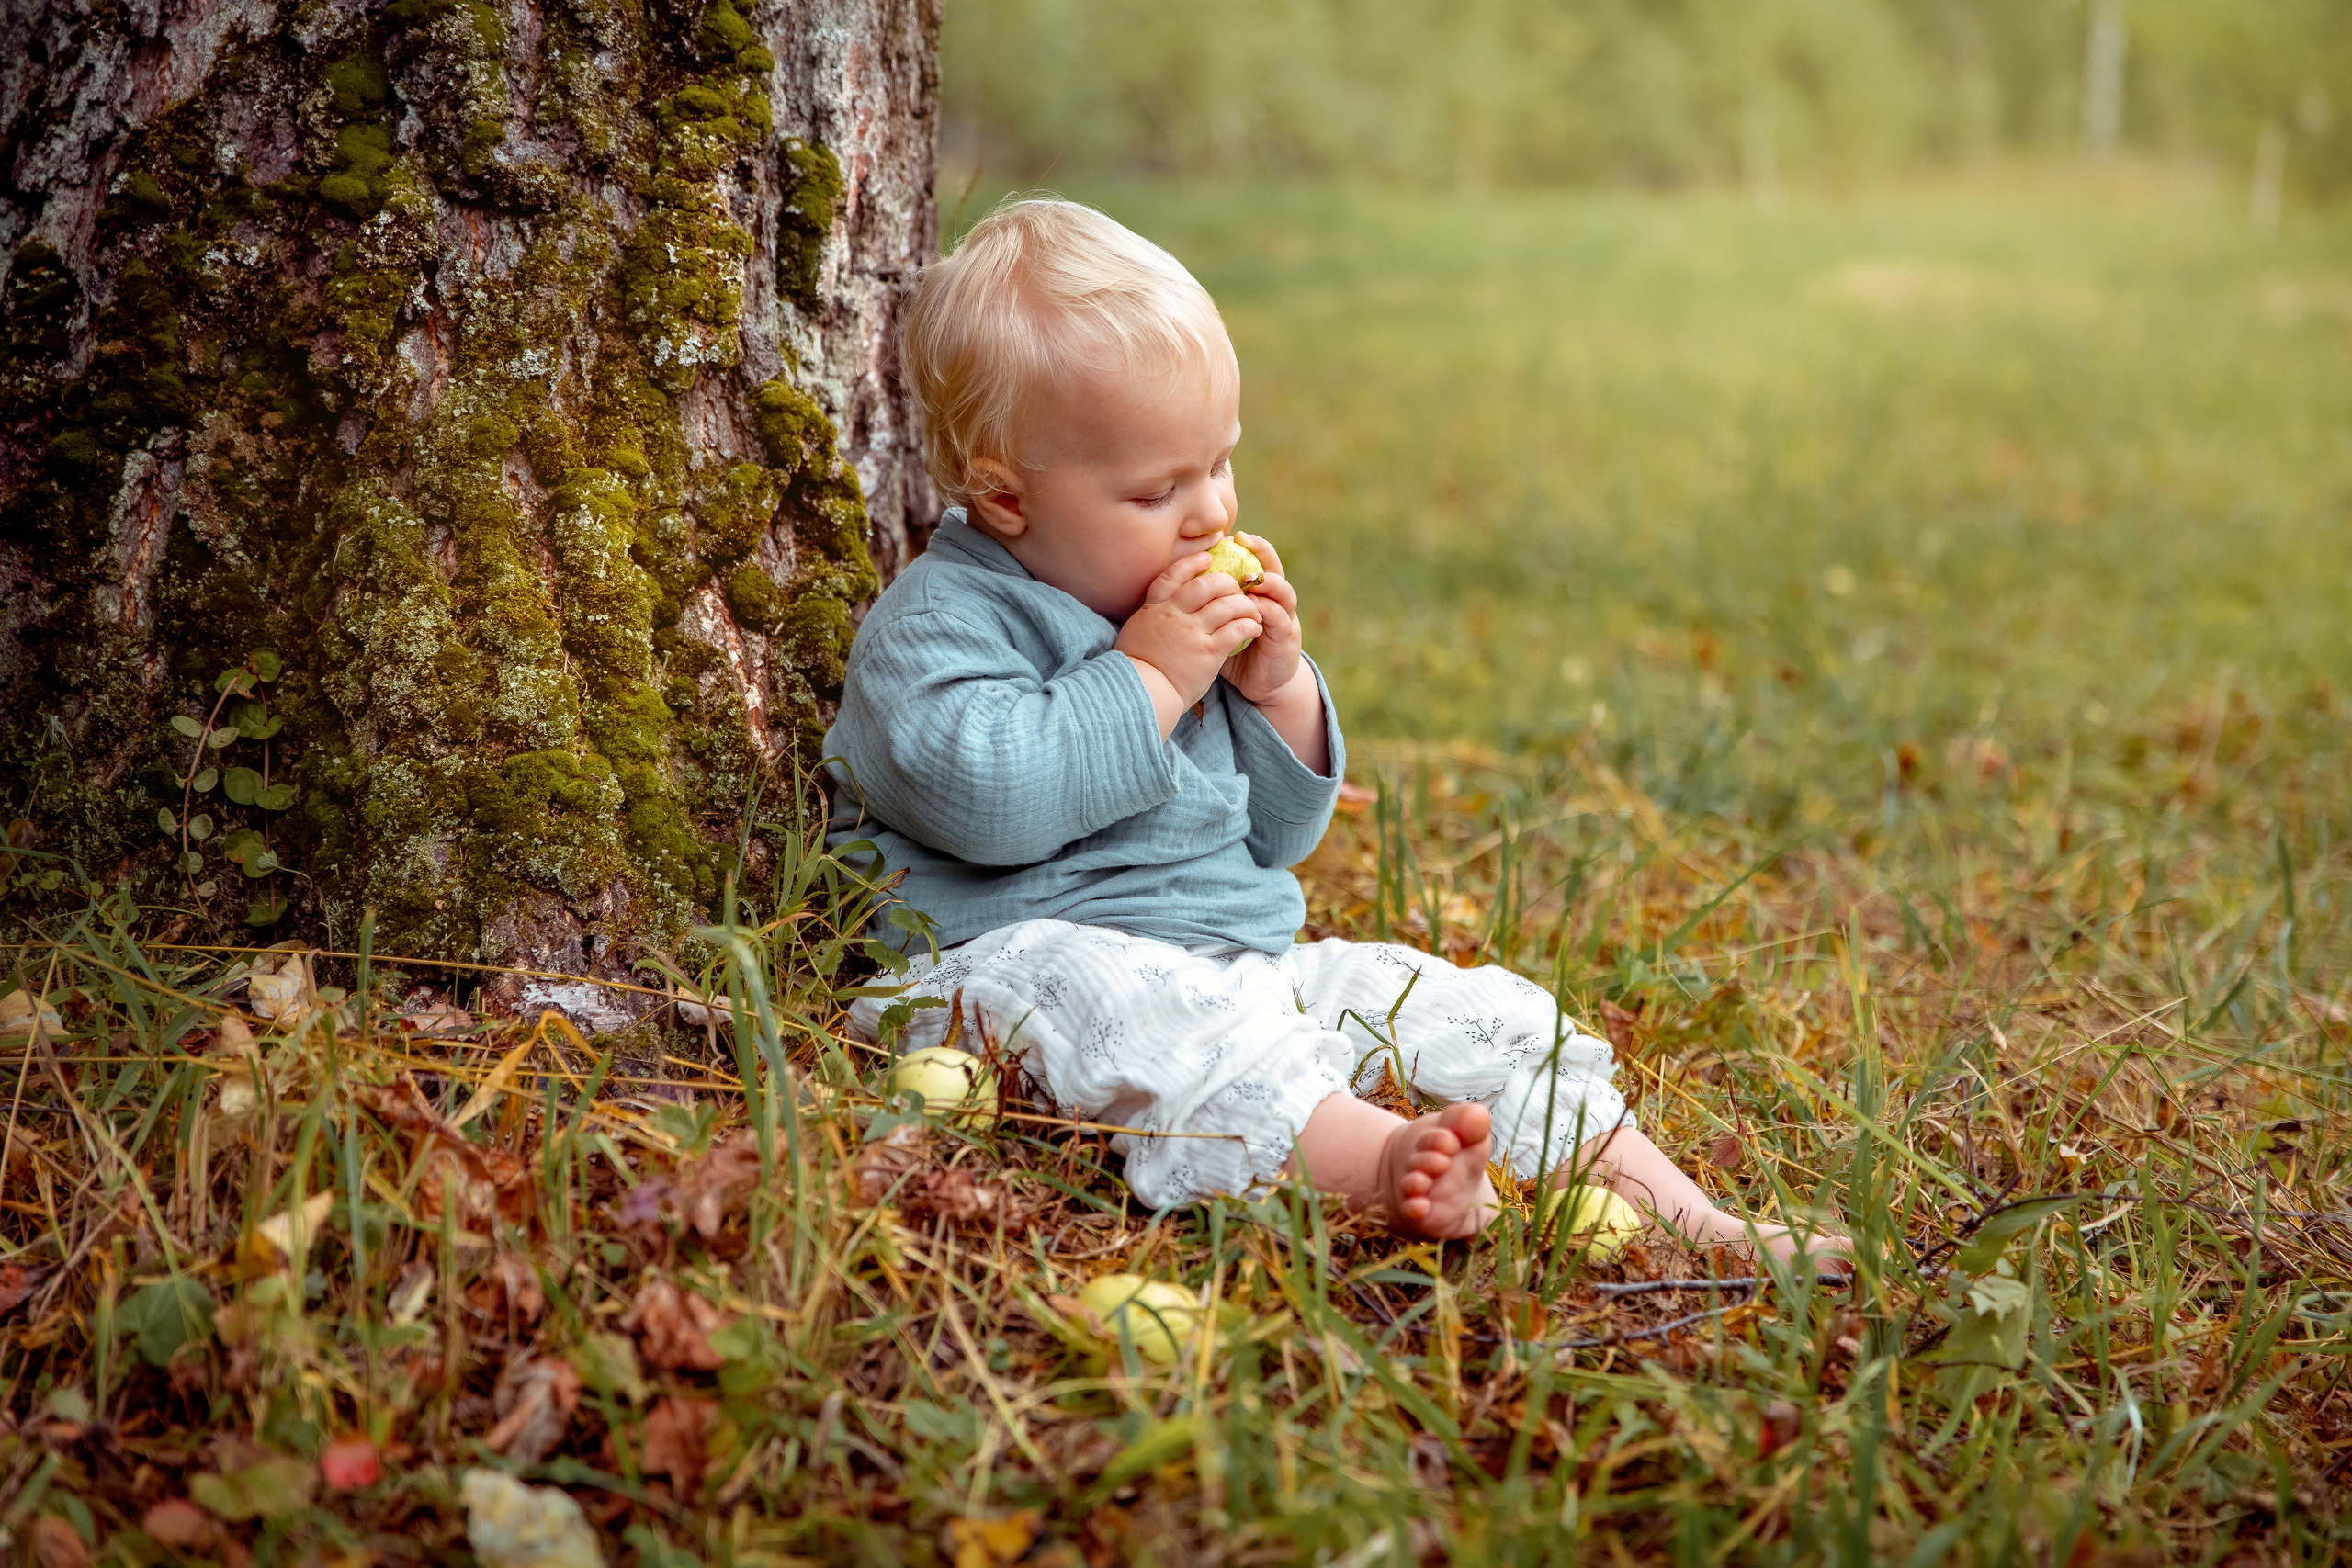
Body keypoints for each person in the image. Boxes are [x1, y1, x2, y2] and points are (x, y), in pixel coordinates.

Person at [830, 197, 1843, 1265]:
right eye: (1158, 489)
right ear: (1005, 499)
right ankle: (1381, 1172)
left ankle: (1699, 1224)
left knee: (1437, 1006)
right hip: (1008, 971)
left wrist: (1275, 693)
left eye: (1219, 464)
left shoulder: (1169, 620)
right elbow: (986, 799)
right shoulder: (940, 624)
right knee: (1157, 1018)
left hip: (1237, 962)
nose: (1211, 514)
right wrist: (1150, 678)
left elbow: (1276, 837)